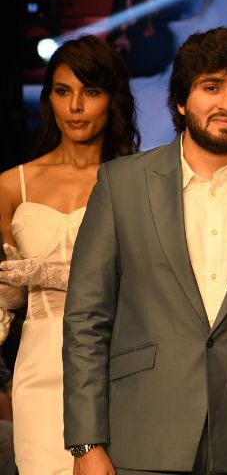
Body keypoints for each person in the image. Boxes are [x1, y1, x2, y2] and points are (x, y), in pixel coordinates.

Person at [62, 28, 227, 474]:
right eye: (211, 87)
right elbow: (86, 318)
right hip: (141, 437)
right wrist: (87, 442)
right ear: (181, 100)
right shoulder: (121, 184)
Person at [0, 35, 139, 475]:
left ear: (113, 99)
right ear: (49, 99)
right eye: (63, 91)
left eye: (90, 91)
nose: (75, 106)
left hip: (118, 358)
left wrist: (45, 273)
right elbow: (8, 298)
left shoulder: (136, 182)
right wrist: (8, 295)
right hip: (38, 365)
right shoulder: (12, 185)